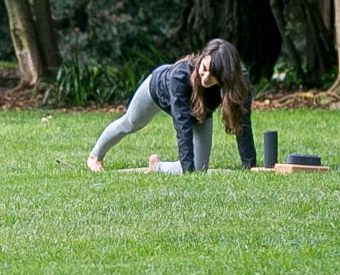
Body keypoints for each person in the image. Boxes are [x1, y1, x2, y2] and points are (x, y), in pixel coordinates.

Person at [85, 38, 257, 174]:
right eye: (204, 69)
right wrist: (187, 170)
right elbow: (182, 125)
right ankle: (95, 156)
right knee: (130, 123)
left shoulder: (239, 80)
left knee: (200, 168)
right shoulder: (180, 75)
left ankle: (157, 166)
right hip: (157, 91)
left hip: (199, 110)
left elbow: (241, 120)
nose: (205, 79)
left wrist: (249, 165)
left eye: (213, 77)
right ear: (203, 57)